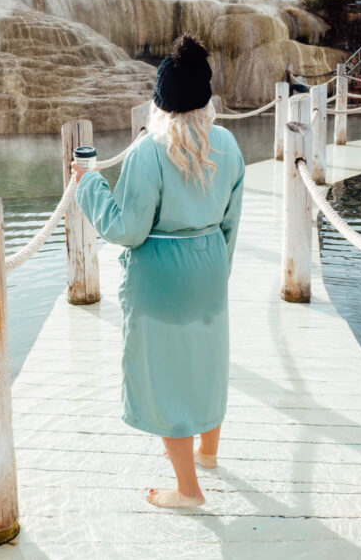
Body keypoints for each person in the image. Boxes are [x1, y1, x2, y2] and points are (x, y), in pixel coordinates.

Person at [71, 34, 244, 509]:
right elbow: (232, 222)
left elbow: (127, 229)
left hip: (161, 282)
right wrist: (215, 275)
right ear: (206, 100)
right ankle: (208, 454)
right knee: (206, 367)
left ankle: (188, 490)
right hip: (209, 269)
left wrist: (89, 186)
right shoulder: (228, 145)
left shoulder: (149, 151)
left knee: (167, 381)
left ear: (161, 103)